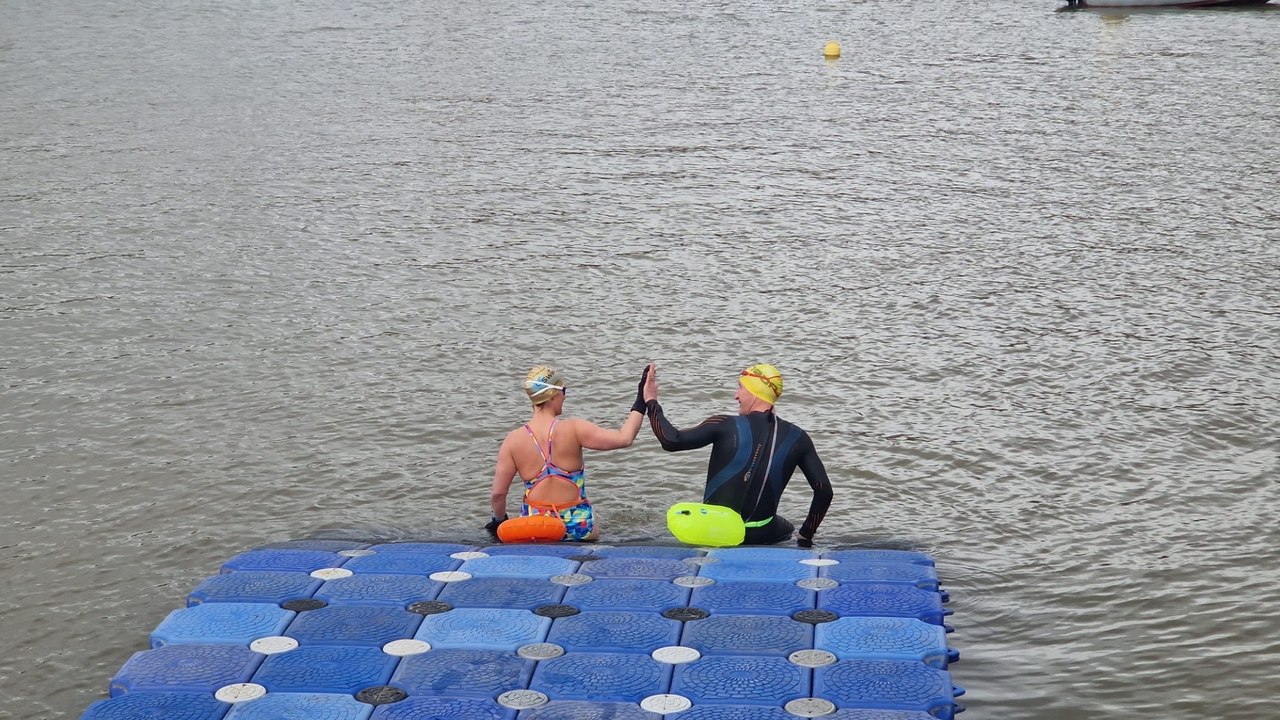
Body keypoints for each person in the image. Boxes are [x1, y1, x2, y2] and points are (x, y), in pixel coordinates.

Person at [643, 363, 833, 547]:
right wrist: (805, 535)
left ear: (754, 392)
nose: (736, 396)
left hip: (717, 530)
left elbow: (671, 440)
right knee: (787, 528)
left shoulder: (724, 424)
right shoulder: (798, 436)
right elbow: (824, 490)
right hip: (763, 534)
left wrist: (651, 400)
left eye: (740, 388)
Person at [488, 364, 650, 541]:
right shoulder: (573, 429)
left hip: (536, 529)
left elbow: (498, 494)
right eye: (563, 390)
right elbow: (624, 438)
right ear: (554, 394)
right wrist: (642, 399)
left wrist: (499, 521)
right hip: (577, 529)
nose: (564, 396)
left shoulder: (513, 439)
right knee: (596, 525)